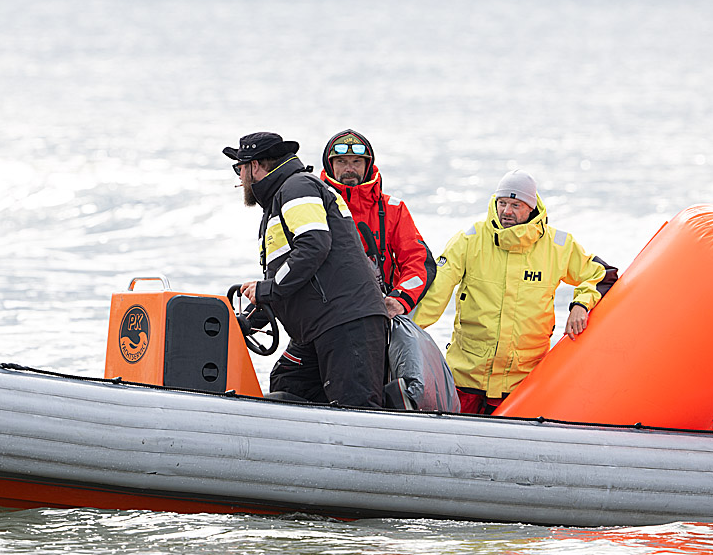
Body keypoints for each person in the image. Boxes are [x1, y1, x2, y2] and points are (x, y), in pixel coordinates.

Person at [412, 170, 618, 415]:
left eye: (516, 205)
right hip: (467, 378)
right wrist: (401, 328)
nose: (507, 211)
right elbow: (434, 296)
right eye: (502, 203)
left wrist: (581, 304)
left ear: (531, 207)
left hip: (524, 382)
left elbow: (602, 273)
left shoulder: (559, 245)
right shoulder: (469, 240)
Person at [224, 131, 390, 408]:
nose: (239, 178)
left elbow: (314, 246)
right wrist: (249, 319)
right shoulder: (282, 198)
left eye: (239, 168)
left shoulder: (297, 188)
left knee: (356, 408)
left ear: (254, 166)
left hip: (345, 322)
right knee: (288, 382)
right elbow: (293, 276)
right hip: (319, 328)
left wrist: (268, 289)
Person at [320, 129, 437, 319]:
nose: (349, 168)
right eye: (341, 162)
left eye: (356, 161)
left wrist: (400, 299)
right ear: (330, 164)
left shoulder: (394, 208)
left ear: (367, 165)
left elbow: (418, 260)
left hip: (380, 311)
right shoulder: (314, 207)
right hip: (325, 313)